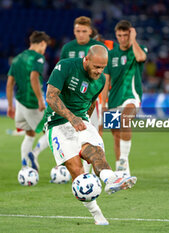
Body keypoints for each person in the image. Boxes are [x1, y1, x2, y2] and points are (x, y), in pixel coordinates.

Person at [45, 45, 137, 225]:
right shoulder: (66, 66)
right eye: (96, 67)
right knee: (77, 171)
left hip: (81, 119)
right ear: (86, 60)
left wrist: (85, 122)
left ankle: (110, 179)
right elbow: (51, 96)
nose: (99, 71)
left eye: (103, 68)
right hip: (57, 123)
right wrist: (72, 118)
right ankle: (97, 214)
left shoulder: (101, 81)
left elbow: (91, 103)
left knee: (94, 151)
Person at [59, 16, 107, 173]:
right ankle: (73, 164)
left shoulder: (98, 47)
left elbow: (102, 74)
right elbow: (61, 72)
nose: (80, 34)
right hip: (70, 99)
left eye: (84, 31)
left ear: (90, 31)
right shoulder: (67, 48)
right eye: (77, 31)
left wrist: (104, 100)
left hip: (90, 98)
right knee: (67, 131)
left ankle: (94, 169)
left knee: (93, 130)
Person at [102, 20, 147, 176]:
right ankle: (122, 172)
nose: (122, 38)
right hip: (113, 99)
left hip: (131, 97)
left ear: (130, 34)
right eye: (119, 35)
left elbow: (141, 58)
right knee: (116, 136)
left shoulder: (137, 50)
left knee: (125, 119)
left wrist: (134, 39)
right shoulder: (111, 54)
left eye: (125, 35)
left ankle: (123, 161)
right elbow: (106, 80)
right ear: (116, 35)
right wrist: (103, 103)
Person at [6, 31, 50, 172]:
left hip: (20, 102)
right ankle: (35, 152)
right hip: (32, 103)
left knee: (29, 134)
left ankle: (25, 167)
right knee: (52, 131)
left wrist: (10, 106)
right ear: (42, 43)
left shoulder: (17, 58)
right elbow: (33, 77)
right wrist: (40, 100)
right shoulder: (38, 58)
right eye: (45, 47)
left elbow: (9, 83)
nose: (44, 50)